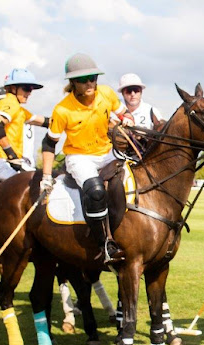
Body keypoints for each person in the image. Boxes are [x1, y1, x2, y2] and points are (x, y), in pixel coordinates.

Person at [40, 53, 134, 264]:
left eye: (93, 78)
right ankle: (104, 243)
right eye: (83, 79)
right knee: (96, 190)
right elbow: (49, 143)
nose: (90, 83)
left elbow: (125, 112)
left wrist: (126, 119)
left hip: (106, 151)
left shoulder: (107, 93)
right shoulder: (63, 109)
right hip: (79, 157)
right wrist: (46, 177)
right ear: (73, 82)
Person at [0, 69, 48, 181]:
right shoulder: (10, 102)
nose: (29, 93)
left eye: (31, 89)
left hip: (7, 164)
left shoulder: (20, 110)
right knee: (37, 185)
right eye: (26, 88)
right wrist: (12, 156)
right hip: (2, 165)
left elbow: (44, 121)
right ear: (13, 88)